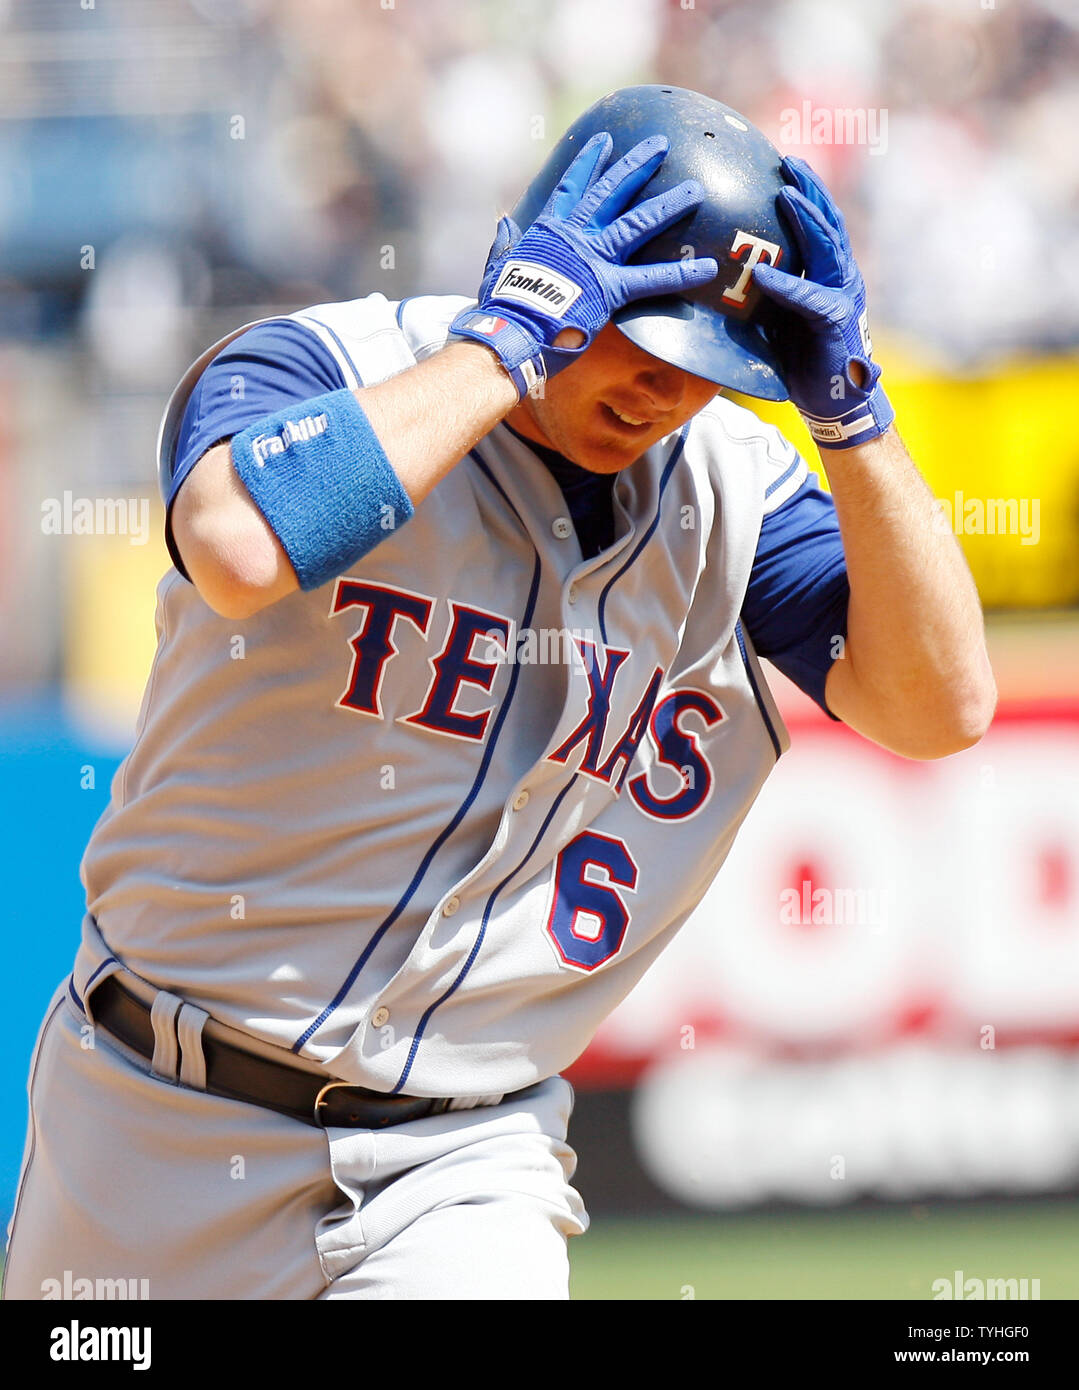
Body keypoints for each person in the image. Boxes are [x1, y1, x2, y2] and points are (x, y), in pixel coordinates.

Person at [3, 86, 995, 1301]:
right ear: (536, 268)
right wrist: (503, 346)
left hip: (462, 1158)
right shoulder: (328, 365)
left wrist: (854, 420)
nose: (663, 391)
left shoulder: (738, 491)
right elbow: (236, 547)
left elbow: (939, 707)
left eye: (707, 364)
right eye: (635, 332)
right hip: (148, 1118)